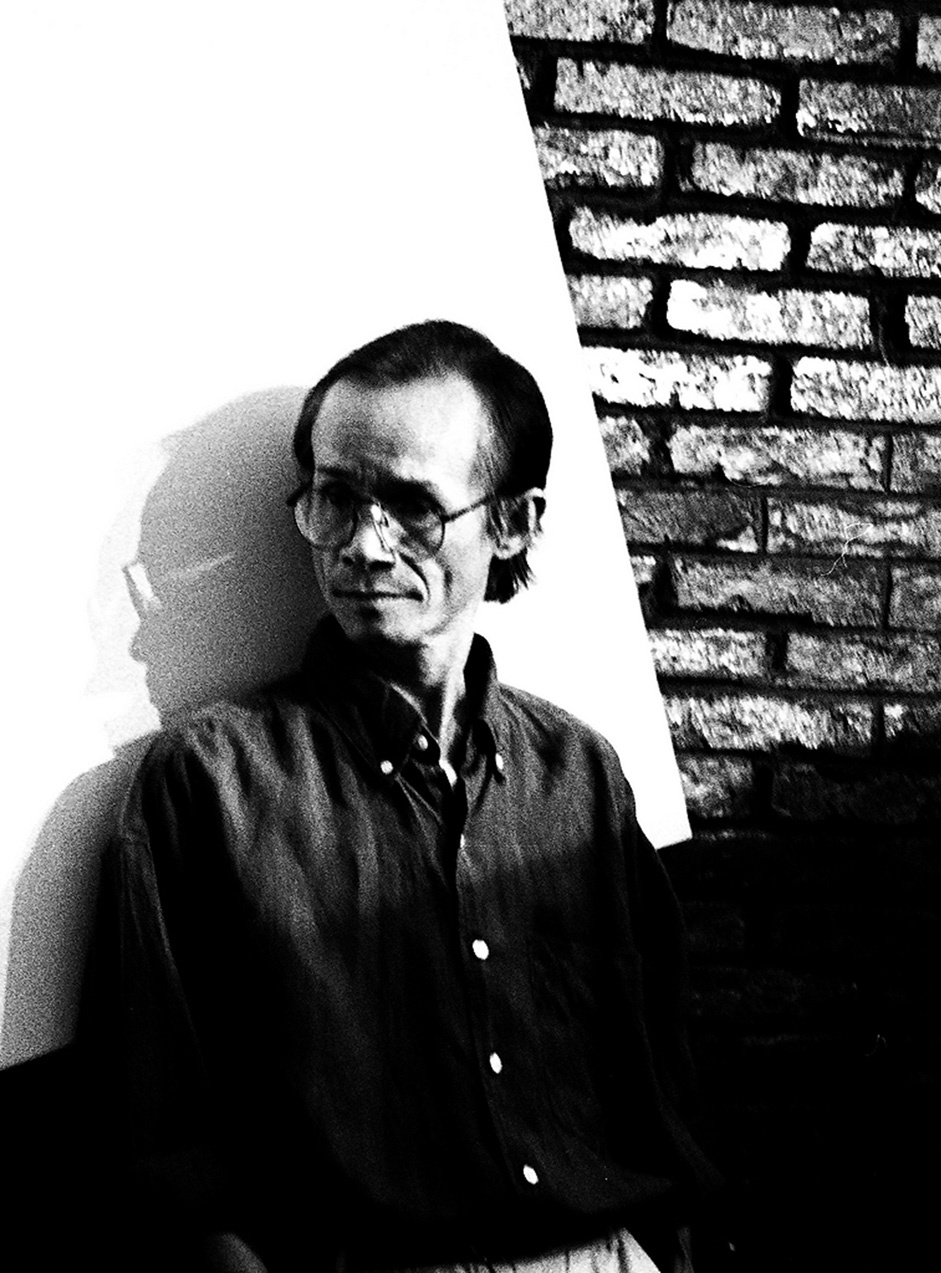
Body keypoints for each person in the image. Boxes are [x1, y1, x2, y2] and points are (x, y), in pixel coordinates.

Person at [79, 320, 718, 1272]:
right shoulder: (207, 787)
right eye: (335, 499)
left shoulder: (580, 774)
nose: (364, 545)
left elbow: (657, 1079)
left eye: (414, 506)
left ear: (514, 522)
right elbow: (168, 1147)